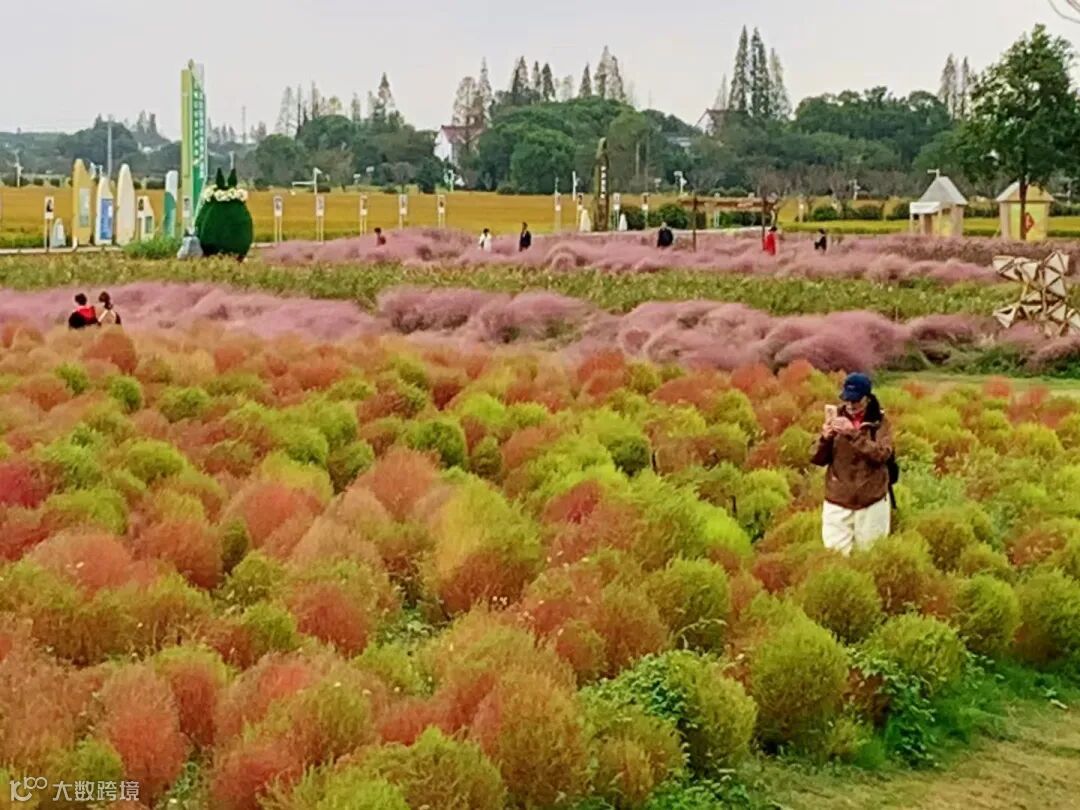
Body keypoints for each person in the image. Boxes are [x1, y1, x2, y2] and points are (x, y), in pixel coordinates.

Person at [811, 372, 894, 555]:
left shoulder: (880, 422)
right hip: (838, 499)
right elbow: (816, 458)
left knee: (871, 555)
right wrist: (825, 439)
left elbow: (883, 454)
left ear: (867, 398)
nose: (850, 405)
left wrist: (853, 434)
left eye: (855, 400)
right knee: (834, 555)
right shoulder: (835, 417)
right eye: (847, 399)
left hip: (871, 500)